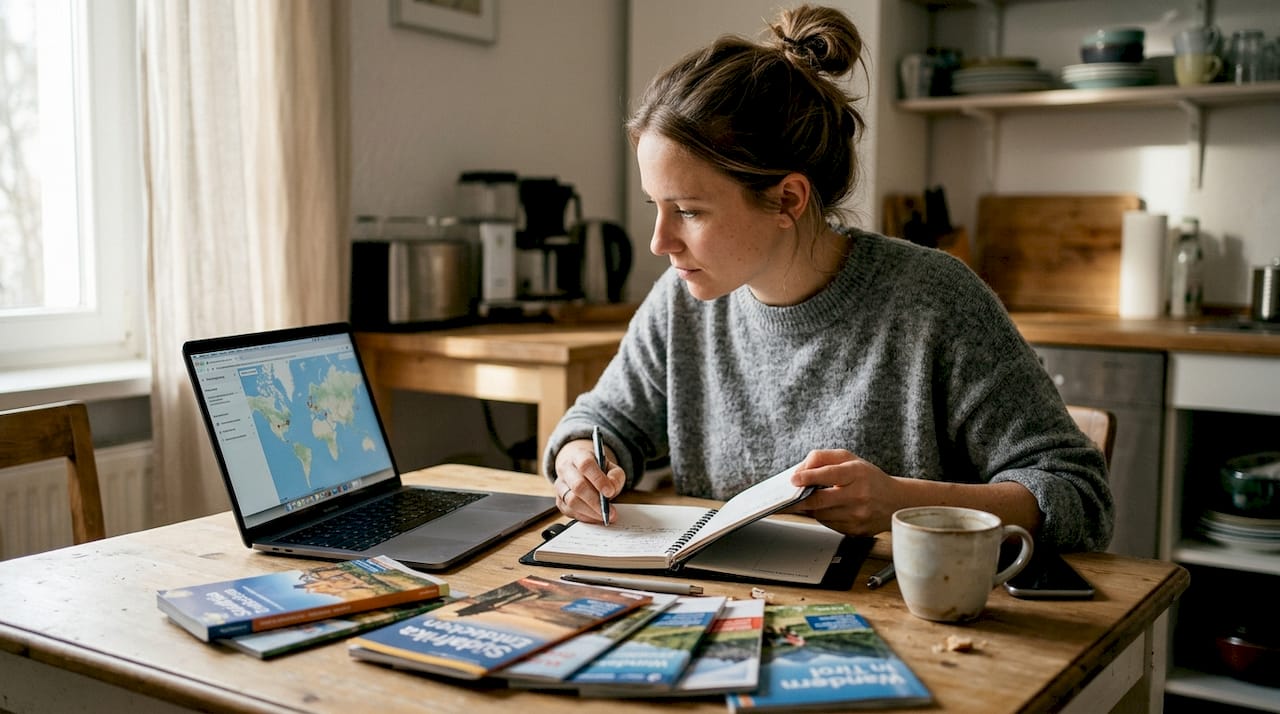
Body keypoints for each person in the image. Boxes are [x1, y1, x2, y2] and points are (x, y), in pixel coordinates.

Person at [541, 4, 1113, 552]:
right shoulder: (681, 299)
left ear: (787, 199)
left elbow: (1080, 495)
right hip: (722, 604)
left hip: (910, 611)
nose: (658, 242)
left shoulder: (936, 301)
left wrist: (904, 503)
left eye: (688, 211)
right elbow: (602, 421)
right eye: (656, 206)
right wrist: (580, 460)